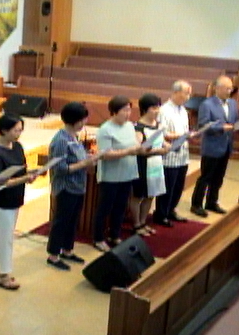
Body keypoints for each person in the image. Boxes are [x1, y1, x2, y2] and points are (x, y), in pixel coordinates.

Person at [0, 113, 38, 288]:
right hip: (1, 200)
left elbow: (22, 169)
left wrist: (30, 174)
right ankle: (3, 275)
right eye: (16, 130)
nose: (19, 134)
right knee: (5, 237)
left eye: (20, 130)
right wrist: (24, 179)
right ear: (4, 130)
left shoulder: (17, 147)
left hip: (15, 196)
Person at [45, 102, 101, 270]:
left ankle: (67, 250)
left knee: (73, 220)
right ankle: (53, 255)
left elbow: (77, 159)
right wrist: (85, 163)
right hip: (66, 187)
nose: (85, 122)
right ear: (74, 120)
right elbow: (60, 168)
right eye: (83, 120)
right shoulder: (61, 140)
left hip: (78, 186)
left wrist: (88, 158)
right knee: (61, 221)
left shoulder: (74, 137)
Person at [92, 95, 148, 252]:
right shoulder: (105, 129)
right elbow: (105, 154)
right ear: (114, 112)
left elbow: (134, 144)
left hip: (127, 173)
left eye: (129, 110)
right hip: (111, 176)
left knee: (121, 207)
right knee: (105, 208)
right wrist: (129, 151)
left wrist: (140, 145)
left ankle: (114, 235)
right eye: (124, 110)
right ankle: (98, 238)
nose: (128, 113)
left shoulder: (129, 126)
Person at [190, 75, 238, 217]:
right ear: (217, 88)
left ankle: (211, 202)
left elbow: (234, 121)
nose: (229, 91)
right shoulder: (207, 104)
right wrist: (221, 128)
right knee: (206, 177)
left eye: (231, 88)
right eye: (226, 88)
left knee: (219, 177)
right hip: (212, 147)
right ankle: (196, 204)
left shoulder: (233, 103)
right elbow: (203, 125)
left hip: (226, 145)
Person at [153, 80, 195, 227]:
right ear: (176, 92)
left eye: (189, 94)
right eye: (186, 93)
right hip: (169, 155)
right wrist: (183, 135)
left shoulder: (183, 110)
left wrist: (189, 135)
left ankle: (171, 210)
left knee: (178, 186)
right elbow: (162, 134)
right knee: (168, 187)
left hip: (182, 155)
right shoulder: (164, 110)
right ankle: (161, 214)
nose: (188, 97)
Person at [129, 94, 171, 237]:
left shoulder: (159, 125)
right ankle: (136, 224)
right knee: (138, 196)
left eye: (158, 107)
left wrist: (166, 145)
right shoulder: (138, 127)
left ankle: (143, 222)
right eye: (154, 108)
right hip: (142, 165)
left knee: (151, 194)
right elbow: (139, 150)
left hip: (156, 165)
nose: (157, 110)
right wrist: (158, 151)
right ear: (145, 109)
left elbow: (161, 141)